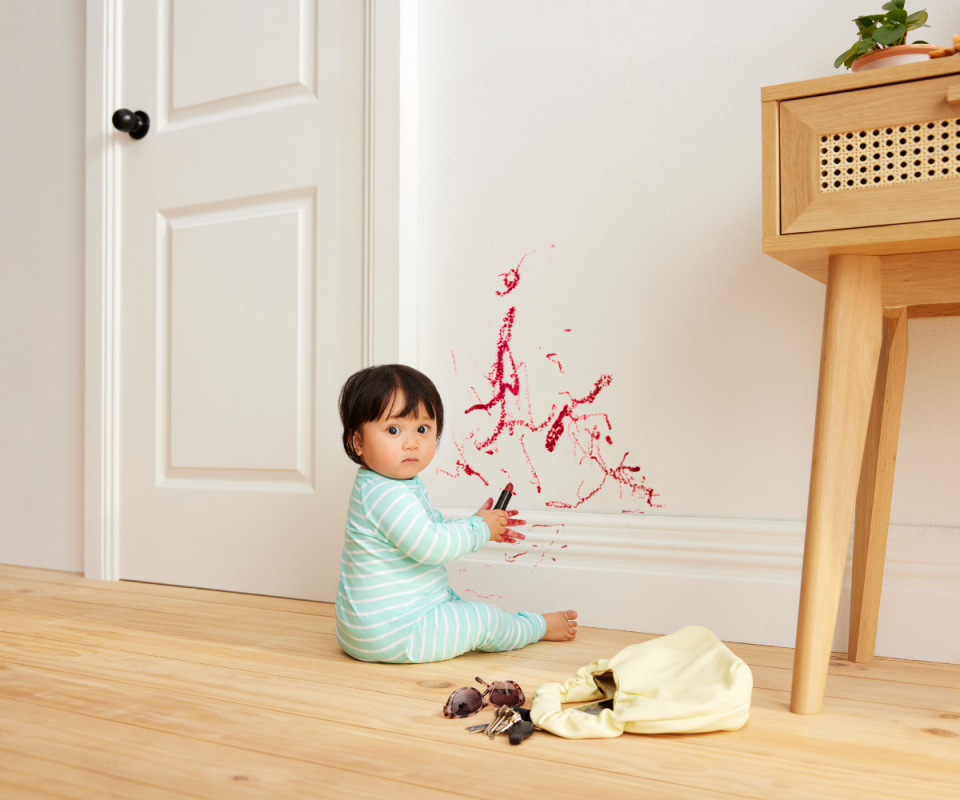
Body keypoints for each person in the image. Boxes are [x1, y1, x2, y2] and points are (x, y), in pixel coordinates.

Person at [335, 364, 577, 663]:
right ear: (357, 441)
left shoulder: (385, 485)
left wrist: (474, 523)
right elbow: (431, 546)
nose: (412, 442)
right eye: (394, 430)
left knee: (455, 606)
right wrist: (479, 529)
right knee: (484, 620)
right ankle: (535, 627)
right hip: (397, 632)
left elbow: (426, 527)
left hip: (373, 628)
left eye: (422, 429)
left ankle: (493, 619)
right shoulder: (386, 493)